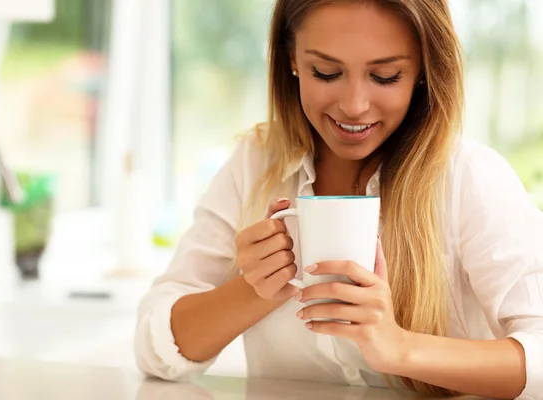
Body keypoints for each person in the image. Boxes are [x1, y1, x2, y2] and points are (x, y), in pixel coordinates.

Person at [135, 1, 543, 398]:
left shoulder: (469, 178)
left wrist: (400, 348)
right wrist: (256, 289)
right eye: (326, 72)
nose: (354, 106)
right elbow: (156, 351)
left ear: (423, 69)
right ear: (291, 59)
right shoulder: (255, 164)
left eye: (385, 76)